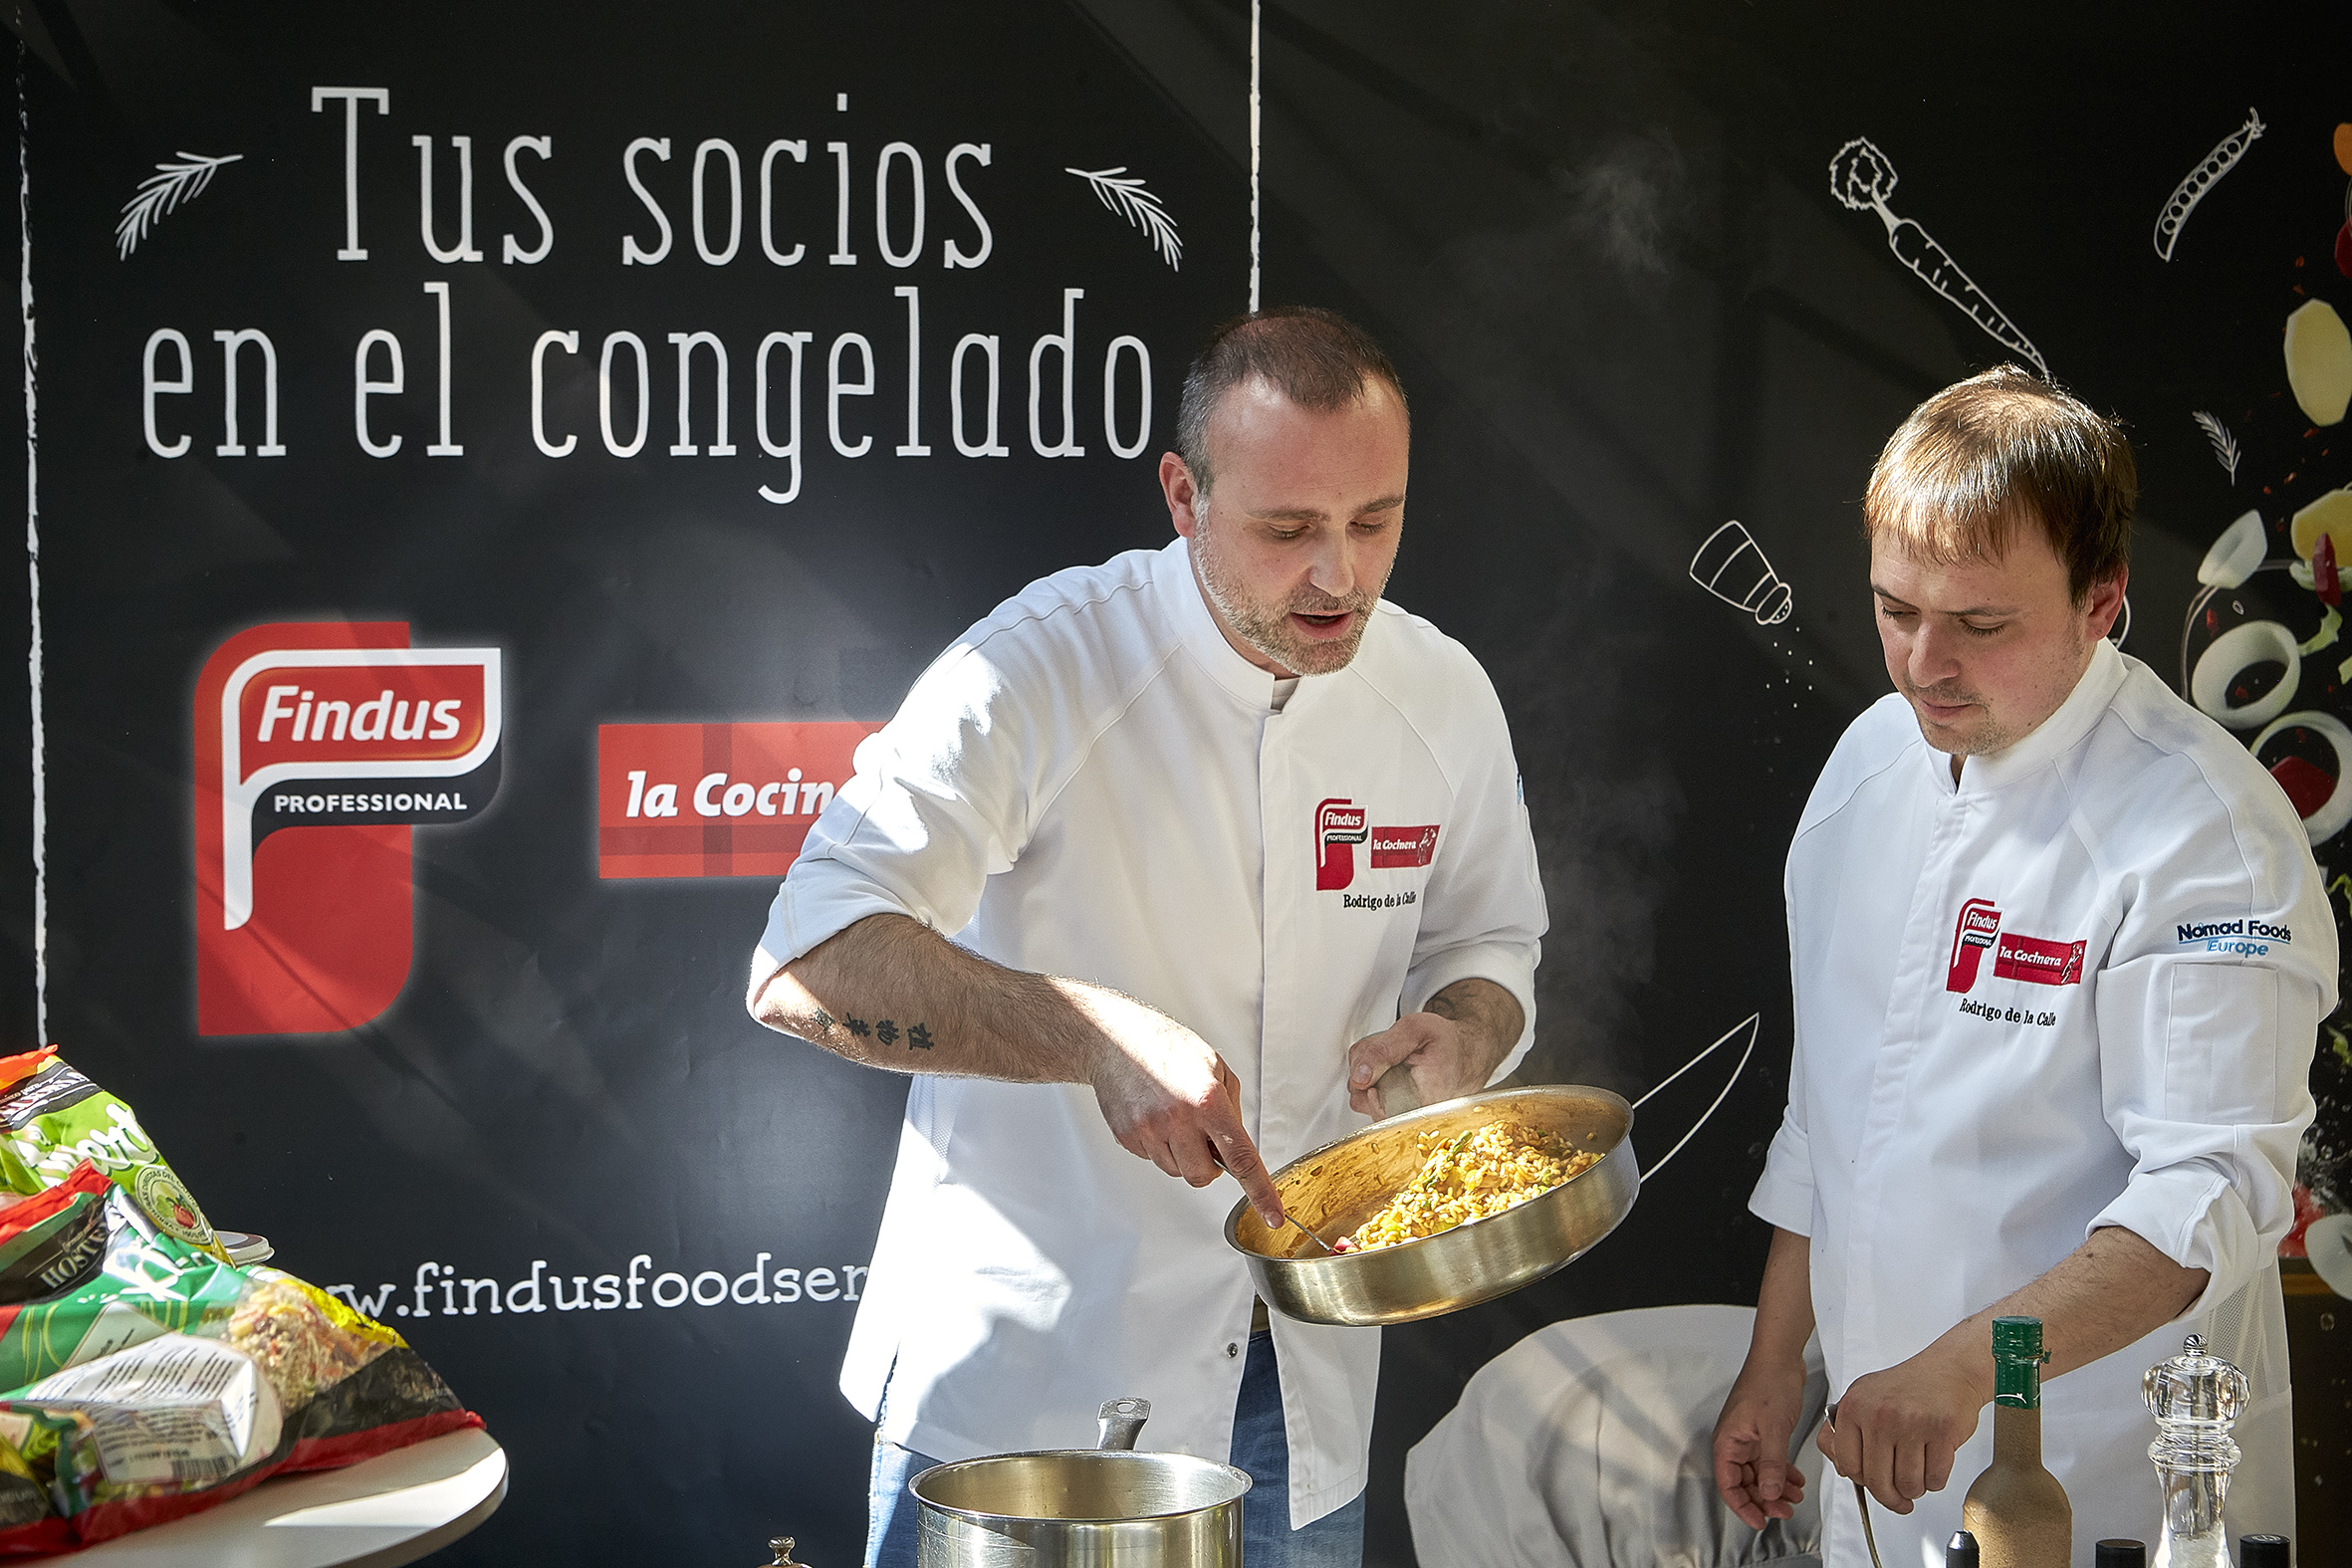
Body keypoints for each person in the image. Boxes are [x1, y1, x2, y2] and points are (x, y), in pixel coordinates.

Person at [747, 307, 1546, 1568]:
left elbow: (1491, 943)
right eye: (1286, 530)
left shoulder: (1440, 693)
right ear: (1184, 496)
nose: (1339, 577)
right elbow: (806, 959)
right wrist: (1093, 1037)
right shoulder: (1039, 669)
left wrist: (1462, 1032)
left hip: (1298, 1398)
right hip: (1026, 1413)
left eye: (1373, 522)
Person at [1712, 365, 2331, 1565]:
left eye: (1981, 624)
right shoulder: (1865, 768)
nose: (1922, 664)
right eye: (1895, 609)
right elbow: (1831, 1117)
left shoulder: (2204, 836)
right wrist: (1777, 1361)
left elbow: (2209, 1194)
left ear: (2102, 601)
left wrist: (1963, 1370)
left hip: (2111, 1486)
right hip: (1870, 1470)